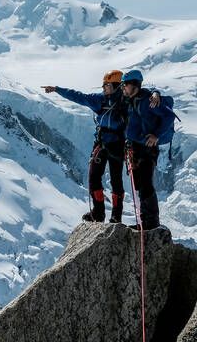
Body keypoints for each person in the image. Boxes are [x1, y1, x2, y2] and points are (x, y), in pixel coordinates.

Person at [42, 71, 127, 223]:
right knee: (94, 177)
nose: (103, 88)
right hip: (103, 143)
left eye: (106, 85)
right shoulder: (101, 99)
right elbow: (78, 96)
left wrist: (155, 94)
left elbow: (144, 99)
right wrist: (57, 89)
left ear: (117, 86)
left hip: (117, 144)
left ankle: (116, 216)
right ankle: (98, 212)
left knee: (116, 180)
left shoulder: (126, 102)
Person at [121, 69, 172, 230]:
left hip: (147, 148)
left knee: (145, 183)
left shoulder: (147, 101)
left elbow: (169, 116)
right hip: (135, 147)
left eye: (125, 84)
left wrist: (156, 135)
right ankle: (145, 221)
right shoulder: (132, 100)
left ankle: (151, 222)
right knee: (139, 184)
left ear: (134, 84)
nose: (123, 88)